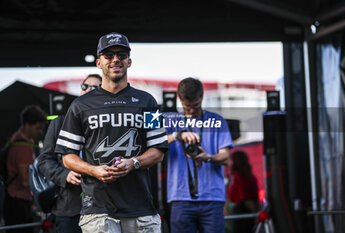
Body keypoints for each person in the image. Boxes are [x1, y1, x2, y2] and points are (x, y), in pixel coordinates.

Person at [55, 32, 168, 233]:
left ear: (129, 61)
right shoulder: (80, 105)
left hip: (141, 208)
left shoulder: (148, 102)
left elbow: (158, 151)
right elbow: (67, 157)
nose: (116, 59)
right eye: (109, 55)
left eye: (122, 54)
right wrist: (94, 170)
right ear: (99, 62)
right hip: (98, 210)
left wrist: (133, 163)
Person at [165, 77, 234, 233]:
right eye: (186, 106)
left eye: (195, 105)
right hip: (180, 197)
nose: (191, 110)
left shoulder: (217, 121)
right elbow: (152, 142)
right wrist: (177, 136)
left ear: (202, 97)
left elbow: (226, 157)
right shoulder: (170, 121)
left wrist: (207, 157)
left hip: (212, 198)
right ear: (179, 100)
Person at [37, 74, 102, 233]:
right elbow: (44, 160)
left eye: (96, 87)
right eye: (85, 86)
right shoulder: (60, 122)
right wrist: (65, 175)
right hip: (69, 207)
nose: (88, 90)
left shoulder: (108, 123)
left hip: (101, 206)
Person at [4, 105, 47, 233]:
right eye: (38, 128)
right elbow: (25, 180)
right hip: (17, 202)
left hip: (14, 200)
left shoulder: (15, 139)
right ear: (28, 125)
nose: (40, 132)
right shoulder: (23, 146)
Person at [228, 150, 259, 233]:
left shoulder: (240, 177)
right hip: (244, 211)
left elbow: (246, 199)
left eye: (231, 160)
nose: (229, 163)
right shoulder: (248, 176)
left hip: (242, 212)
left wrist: (255, 214)